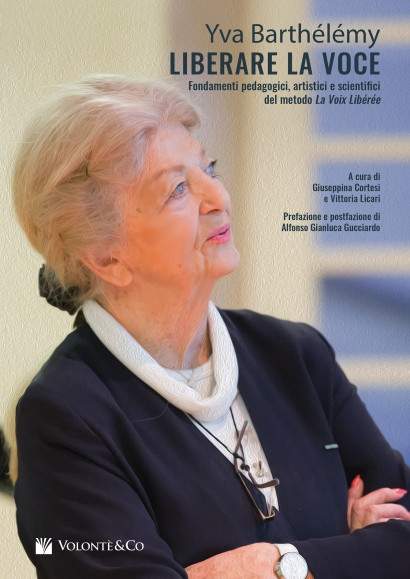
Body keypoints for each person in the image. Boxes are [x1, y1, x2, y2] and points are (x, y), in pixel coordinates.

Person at [11, 74, 410, 579]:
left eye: (209, 169)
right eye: (178, 189)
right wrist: (352, 553)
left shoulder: (295, 353)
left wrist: (272, 564)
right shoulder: (64, 416)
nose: (218, 196)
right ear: (107, 258)